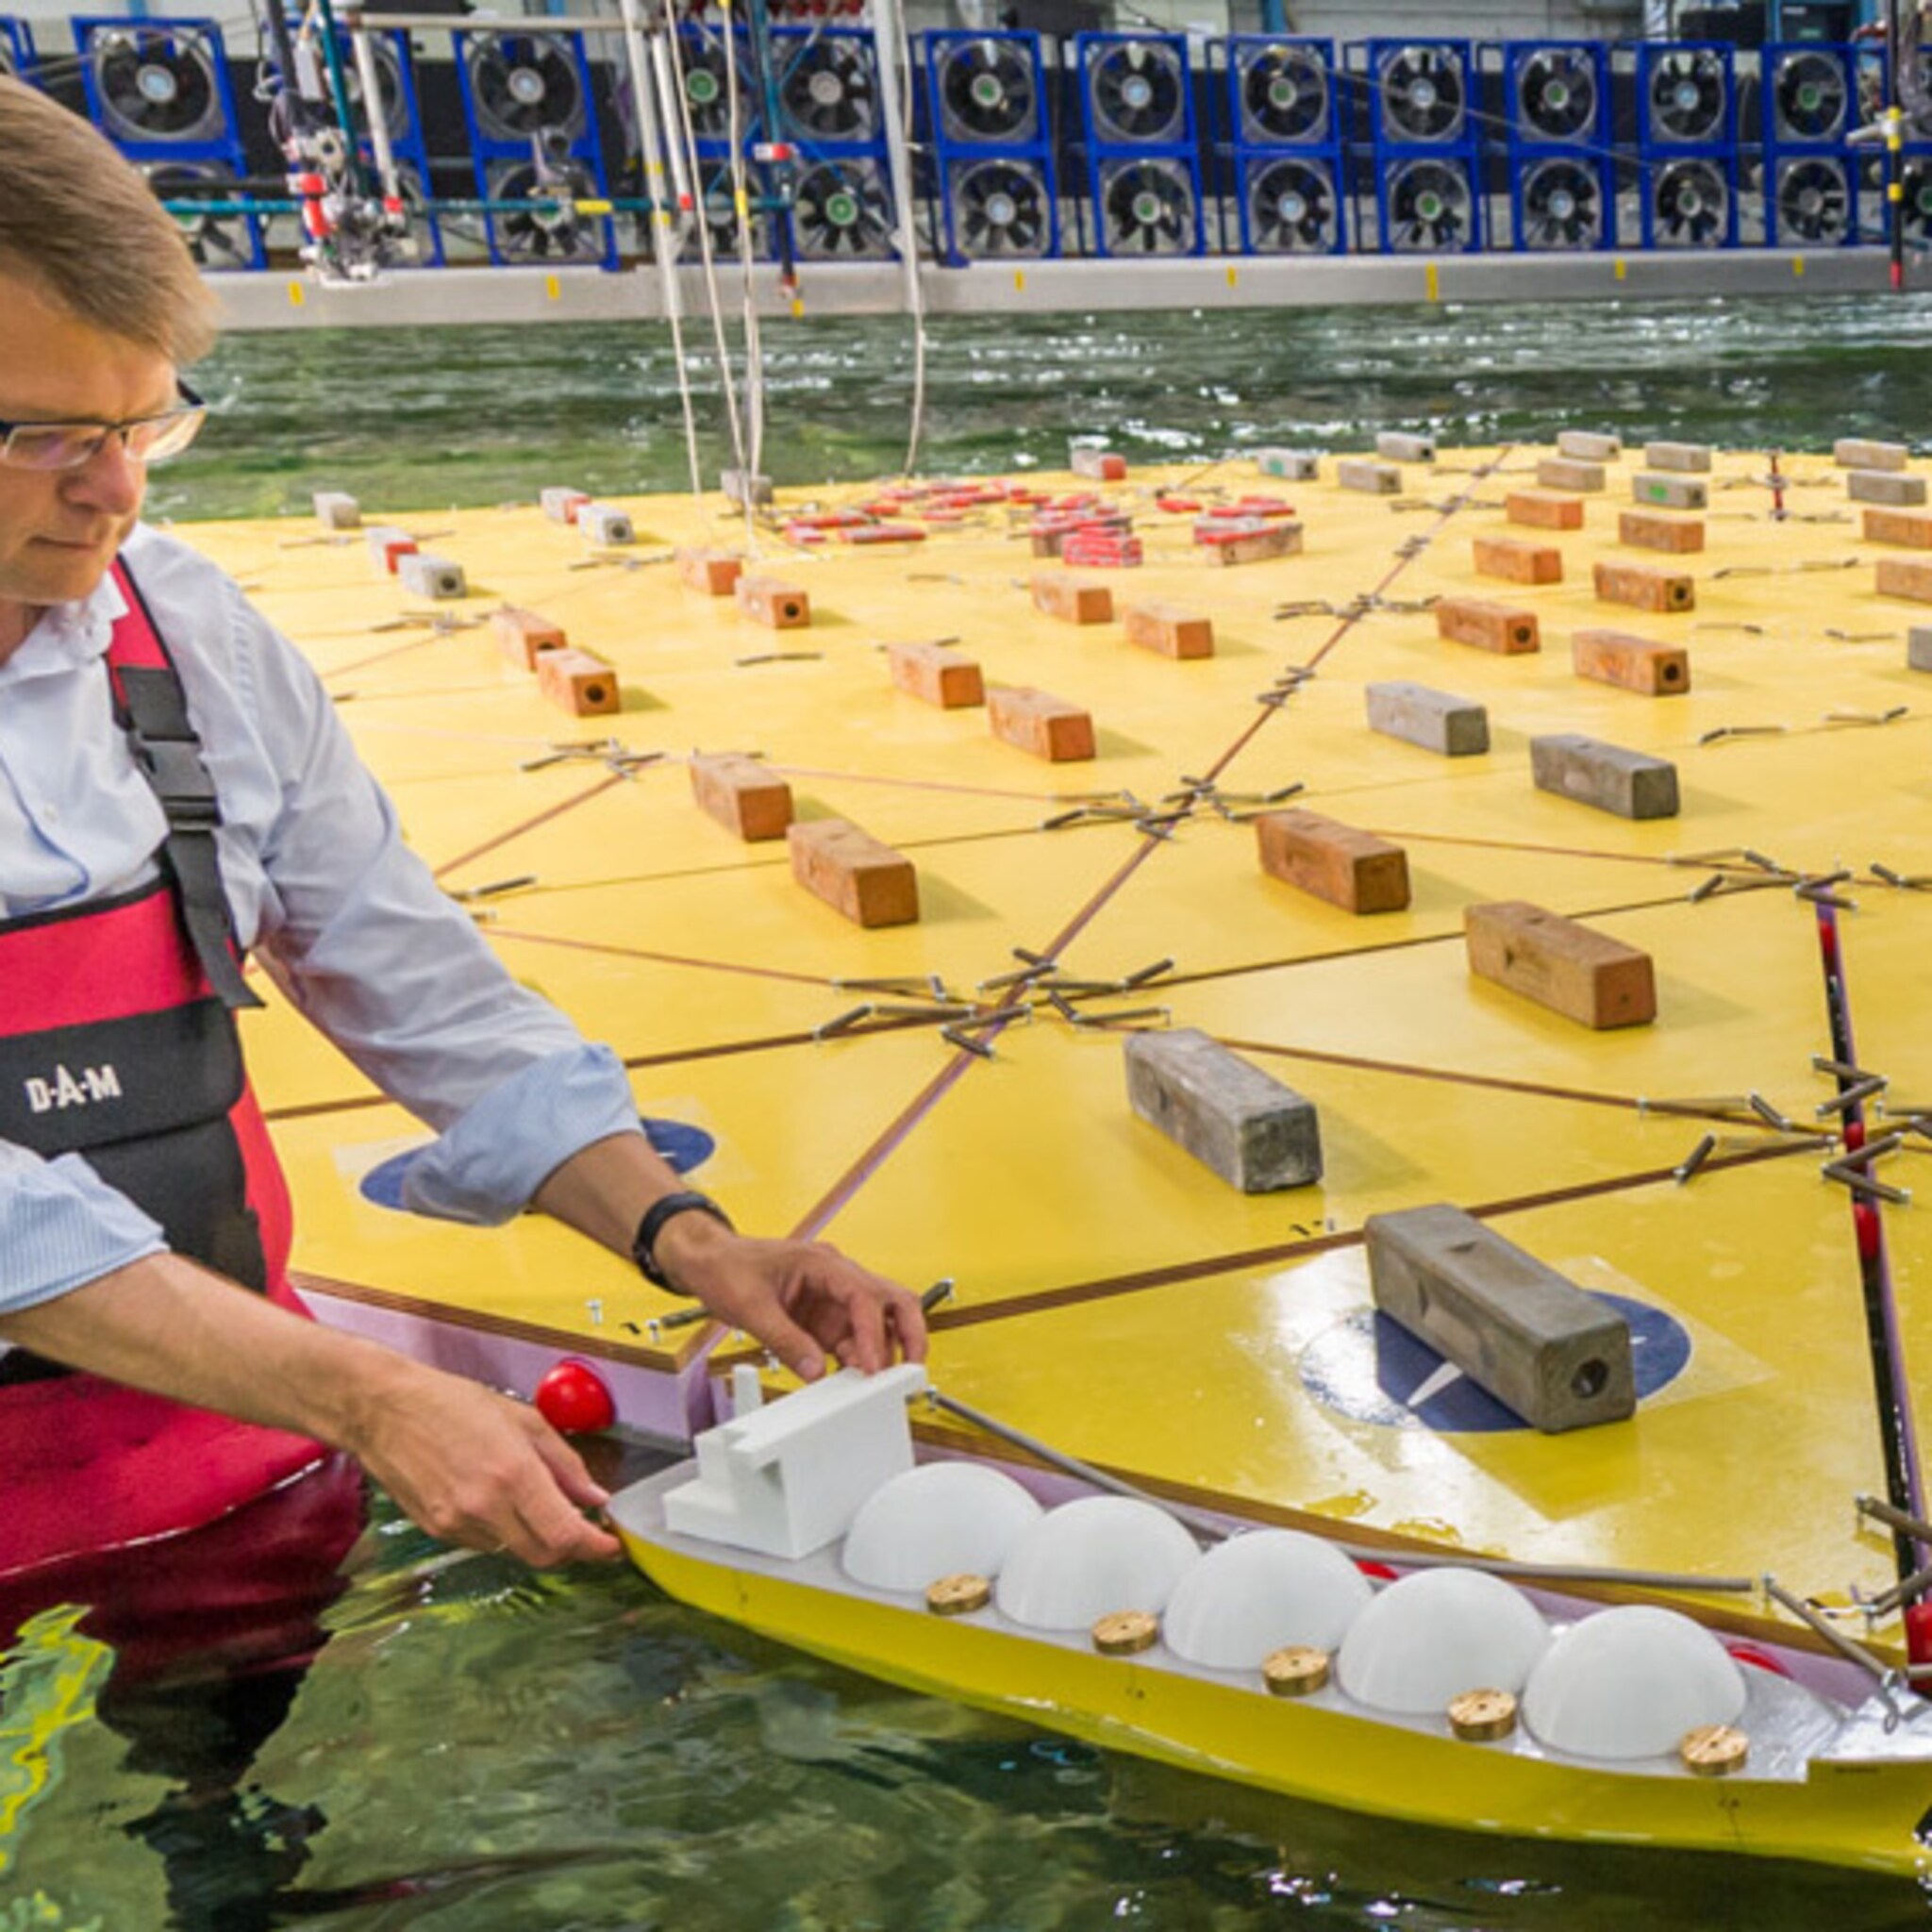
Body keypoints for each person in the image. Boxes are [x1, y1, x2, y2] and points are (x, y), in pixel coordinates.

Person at [0, 75, 927, 1587]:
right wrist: (370, 1394)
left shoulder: (189, 637)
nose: (112, 490)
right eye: (47, 434)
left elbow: (405, 972)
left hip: (234, 1468)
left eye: (143, 422)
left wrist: (687, 1237)